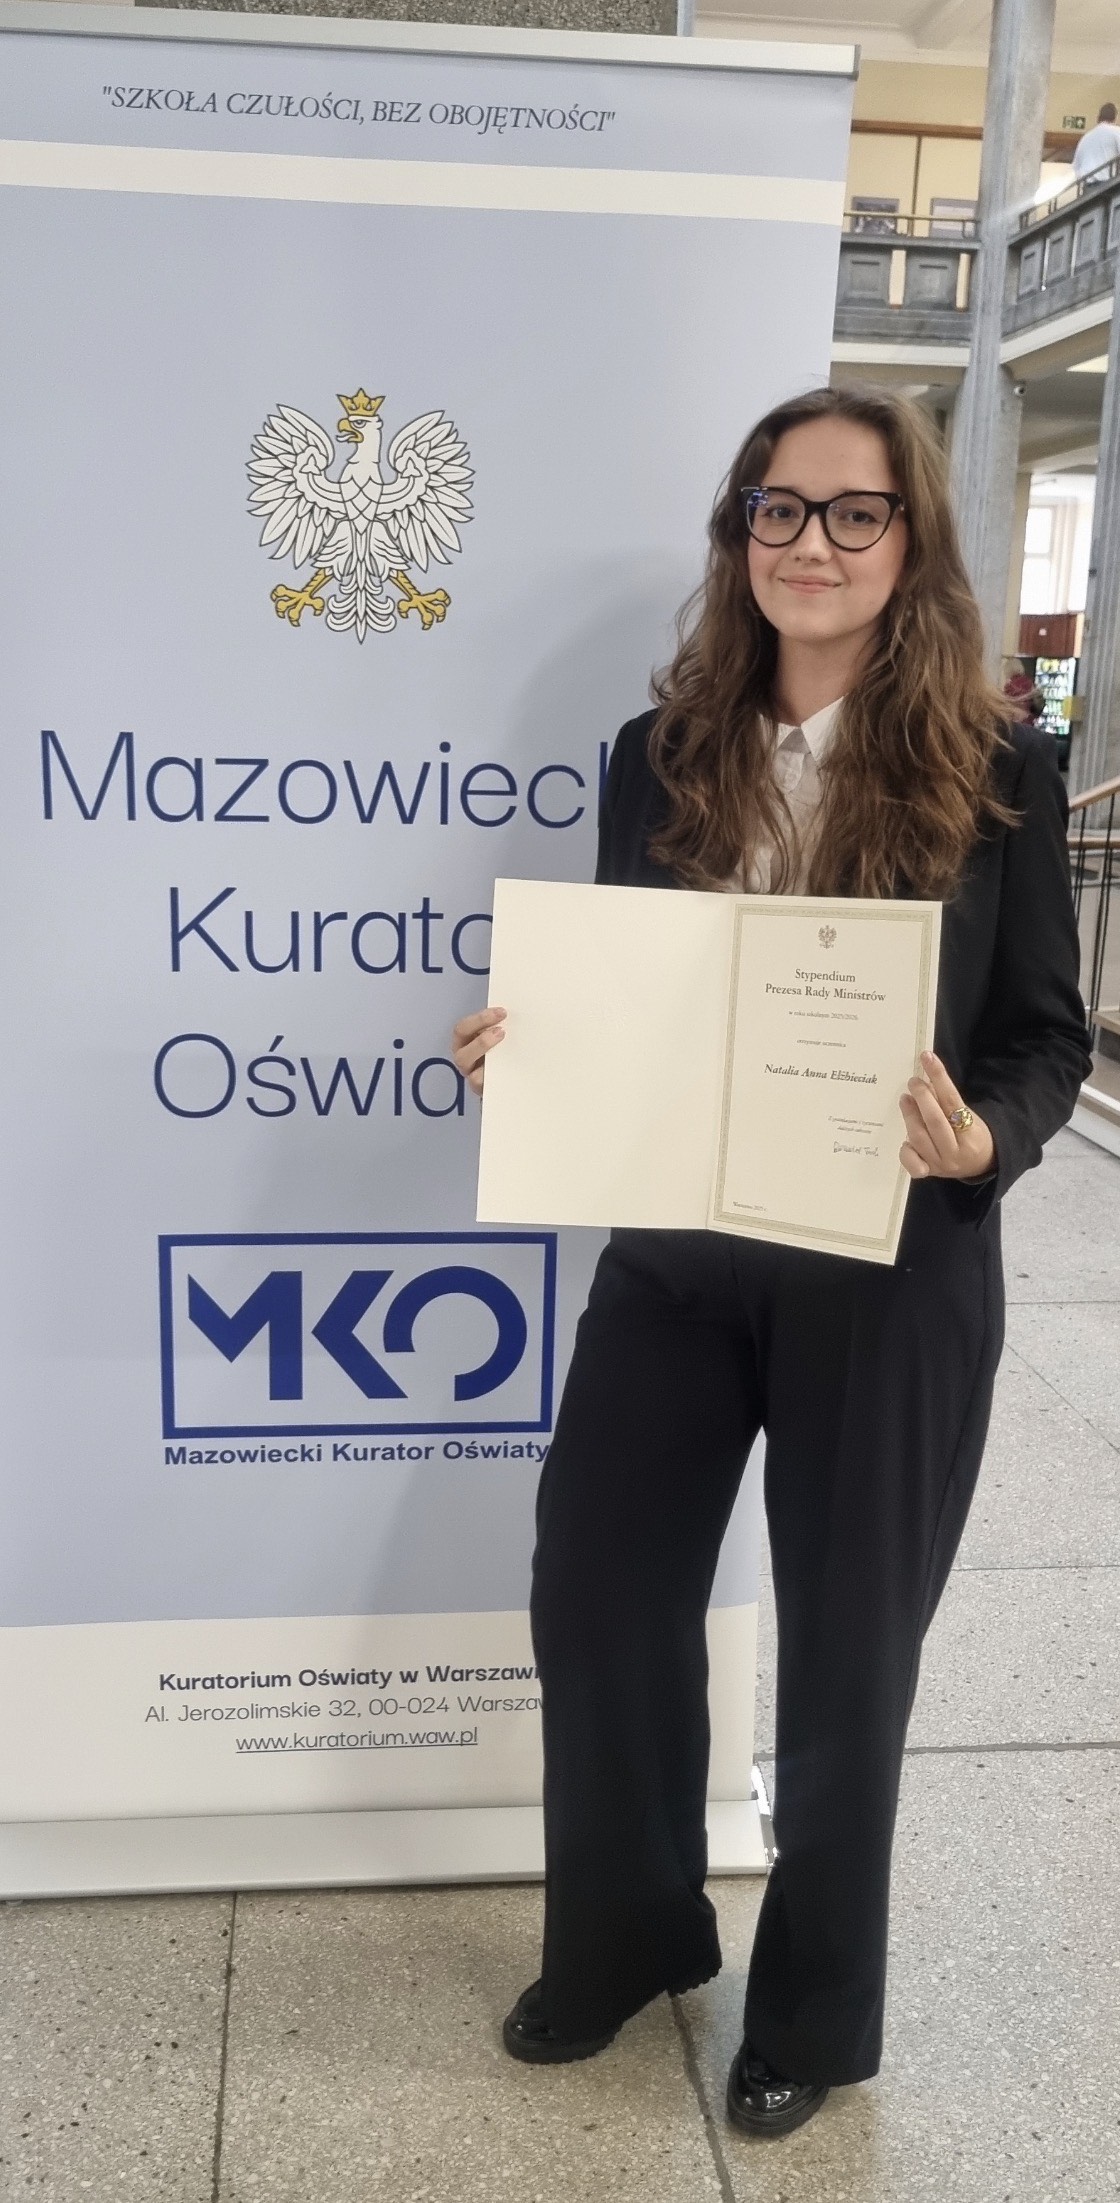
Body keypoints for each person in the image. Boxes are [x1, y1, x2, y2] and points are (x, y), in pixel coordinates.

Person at [451, 386, 1092, 2142]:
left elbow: (1047, 1034)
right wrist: (535, 1052)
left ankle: (808, 2010)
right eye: (779, 507)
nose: (813, 541)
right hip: (676, 1255)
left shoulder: (999, 772)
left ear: (911, 541)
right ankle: (632, 1931)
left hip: (889, 1270)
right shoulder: (657, 750)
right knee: (597, 1590)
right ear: (742, 533)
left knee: (849, 1653)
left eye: (853, 511)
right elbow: (623, 991)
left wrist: (987, 1137)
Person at [1071, 102, 1120, 181]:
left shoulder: (1086, 137)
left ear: (1099, 117)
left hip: (1087, 183)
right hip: (1107, 183)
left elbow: (1076, 166)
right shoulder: (1116, 132)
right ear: (1115, 117)